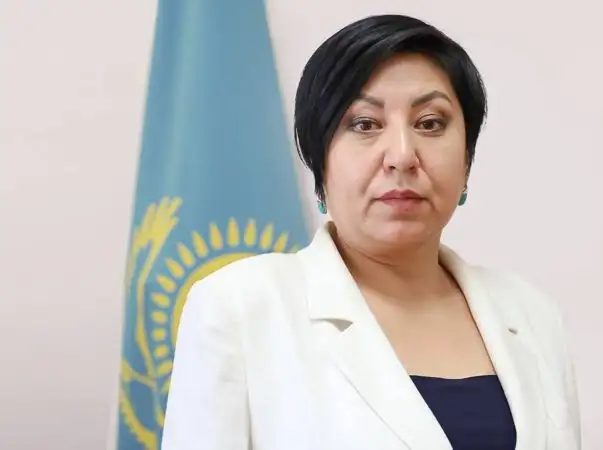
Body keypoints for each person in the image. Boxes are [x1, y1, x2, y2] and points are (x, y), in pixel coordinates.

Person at [161, 14, 580, 450]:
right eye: (365, 124)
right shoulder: (240, 307)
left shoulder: (533, 316)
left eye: (430, 123)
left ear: (467, 161)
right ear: (320, 163)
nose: (402, 156)